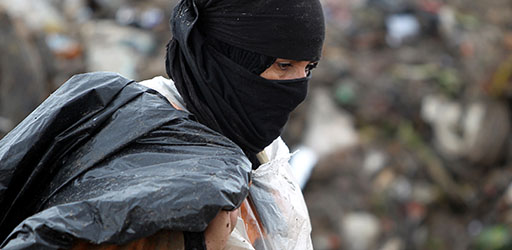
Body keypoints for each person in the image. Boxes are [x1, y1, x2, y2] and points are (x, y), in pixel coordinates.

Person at [0, 0, 325, 249]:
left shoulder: (267, 152)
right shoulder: (132, 129)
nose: (298, 87)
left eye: (308, 68)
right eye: (283, 66)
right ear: (227, 58)